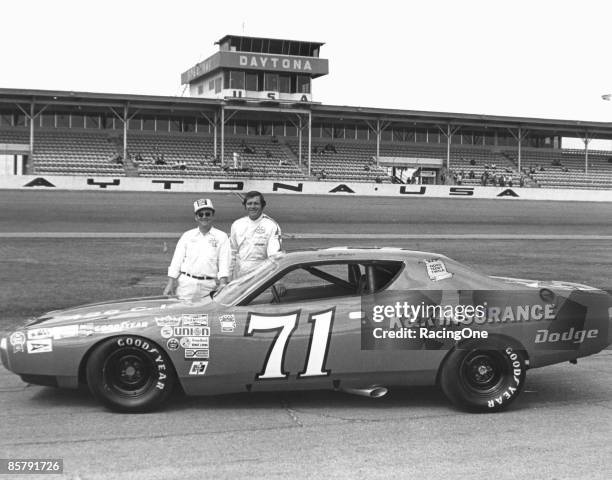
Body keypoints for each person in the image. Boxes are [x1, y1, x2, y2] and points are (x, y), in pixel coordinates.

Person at [163, 199, 230, 301]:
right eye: (200, 214)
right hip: (186, 284)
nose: (204, 217)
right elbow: (177, 260)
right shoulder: (187, 235)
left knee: (207, 315)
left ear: (213, 216)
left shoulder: (222, 237)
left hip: (209, 286)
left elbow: (224, 262)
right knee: (181, 313)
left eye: (207, 214)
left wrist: (223, 283)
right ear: (196, 217)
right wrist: (170, 283)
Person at [230, 191, 282, 279]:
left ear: (262, 206)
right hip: (239, 275)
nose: (252, 207)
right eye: (249, 204)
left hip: (261, 274)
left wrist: (277, 280)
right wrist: (228, 276)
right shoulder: (237, 224)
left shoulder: (271, 225)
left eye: (256, 204)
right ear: (245, 206)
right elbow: (231, 252)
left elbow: (274, 256)